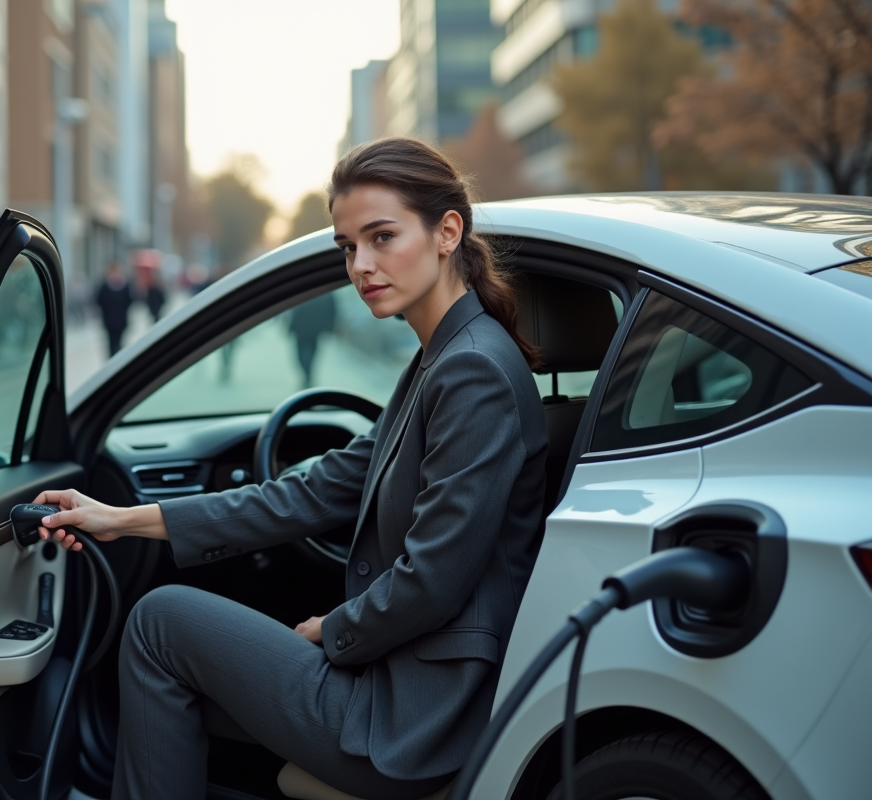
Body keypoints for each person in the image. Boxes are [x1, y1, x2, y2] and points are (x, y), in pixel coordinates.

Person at [34, 137, 548, 800]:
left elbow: (433, 580)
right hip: (404, 687)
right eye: (347, 247)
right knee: (183, 668)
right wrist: (124, 519)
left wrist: (333, 630)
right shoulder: (441, 359)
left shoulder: (472, 368)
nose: (361, 265)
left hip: (418, 718)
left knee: (159, 622)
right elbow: (309, 492)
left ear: (447, 232)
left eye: (382, 237)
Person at [288, 290, 337, 387]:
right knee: (308, 355)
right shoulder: (326, 294)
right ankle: (308, 375)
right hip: (310, 330)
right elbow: (332, 312)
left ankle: (307, 376)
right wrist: (329, 329)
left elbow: (332, 311)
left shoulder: (307, 292)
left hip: (305, 330)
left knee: (303, 355)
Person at [95, 262, 132, 357]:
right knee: (111, 343)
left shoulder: (125, 285)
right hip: (109, 321)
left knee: (119, 342)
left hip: (121, 320)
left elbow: (130, 301)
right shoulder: (105, 286)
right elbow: (99, 301)